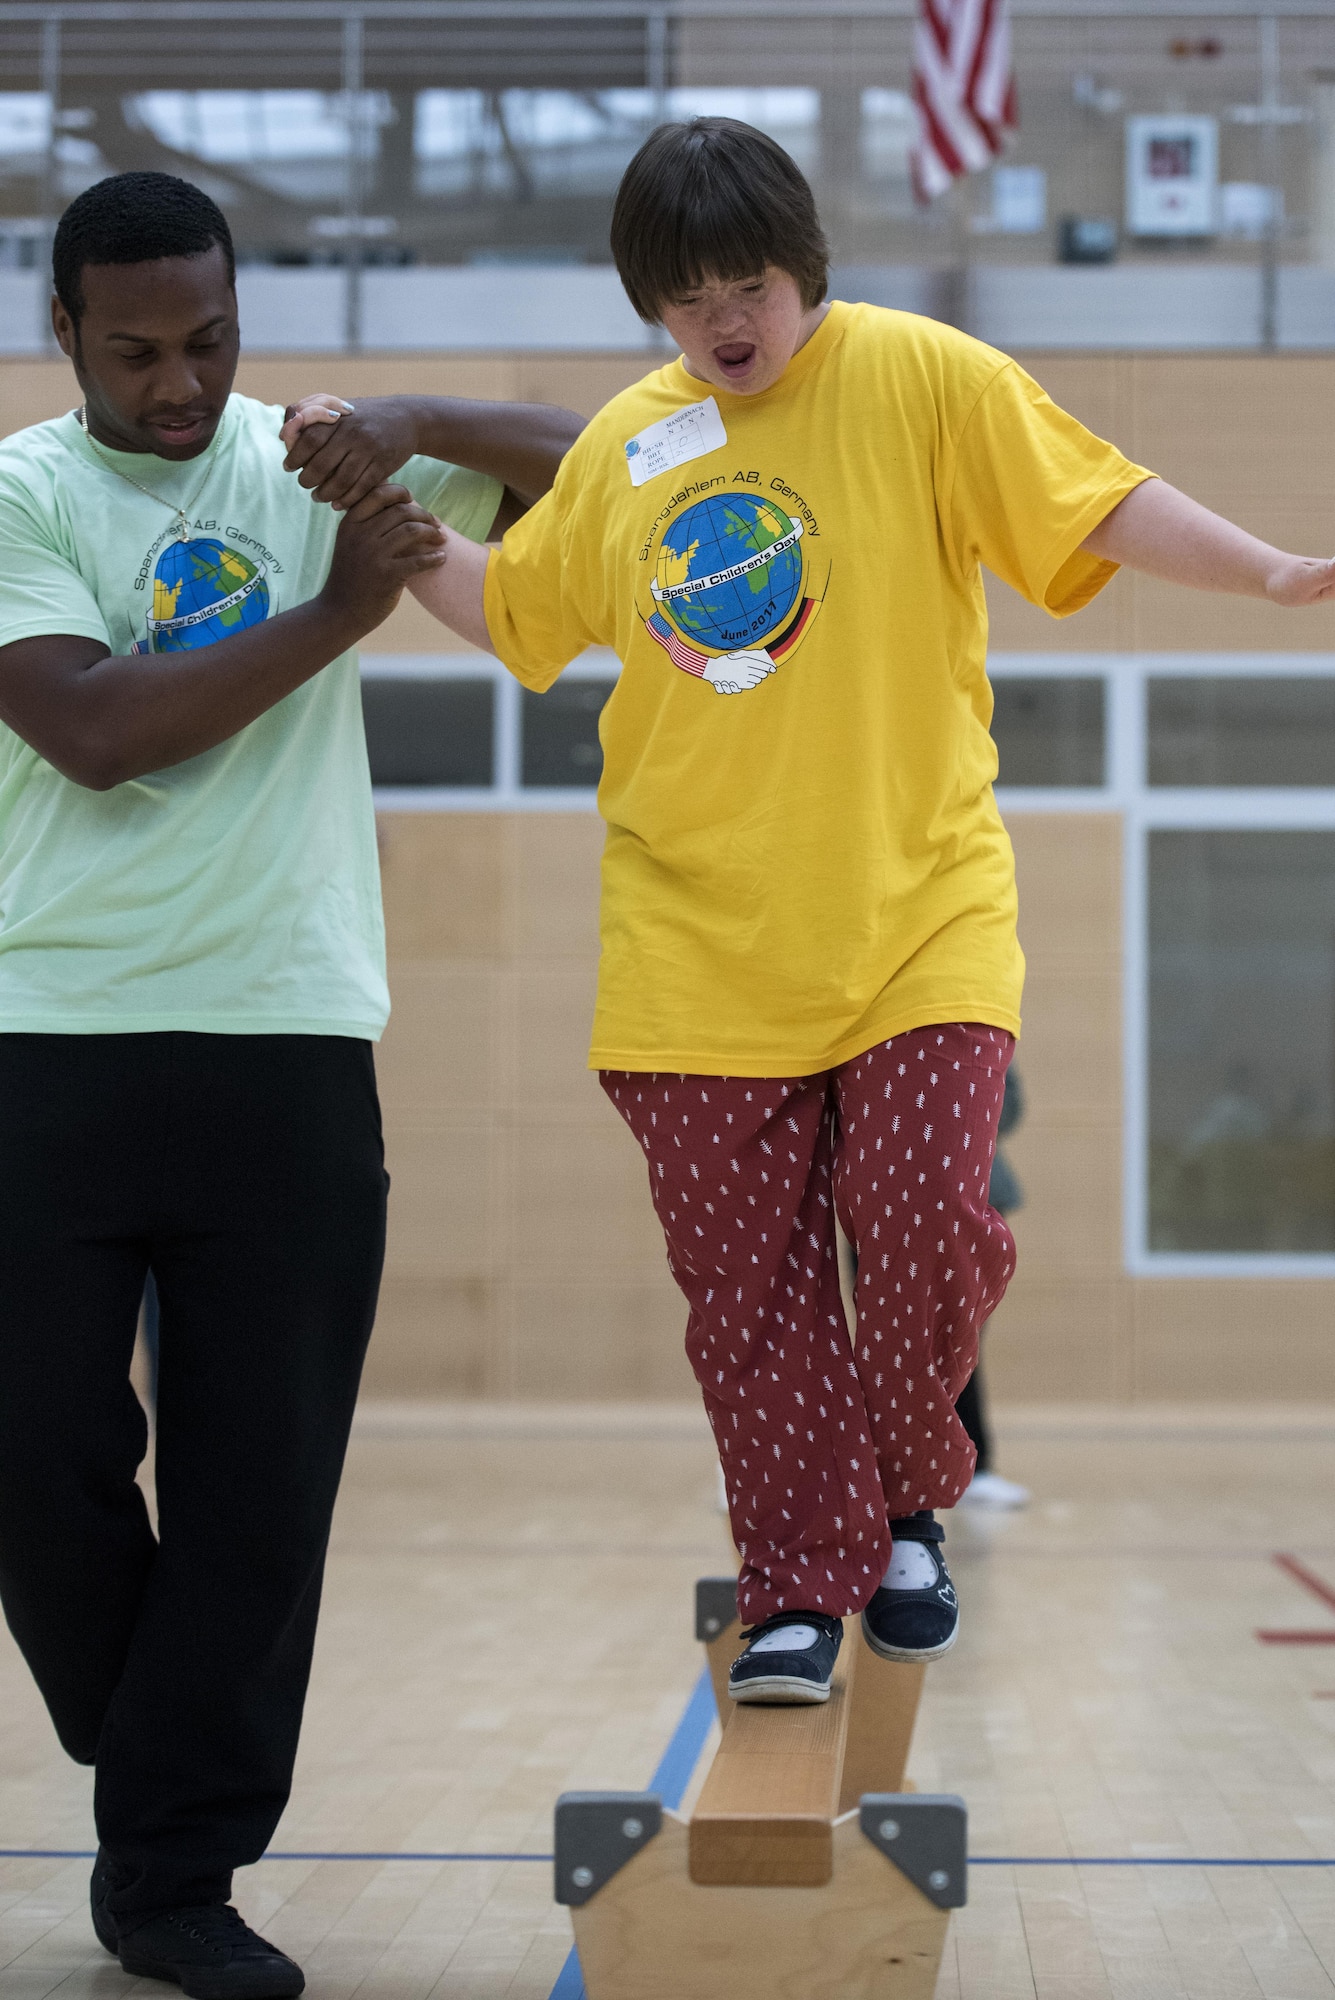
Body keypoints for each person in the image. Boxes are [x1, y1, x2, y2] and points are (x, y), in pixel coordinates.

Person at [299, 117, 1335, 1710]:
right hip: (689, 946)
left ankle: (908, 1496)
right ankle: (797, 1587)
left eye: (752, 286)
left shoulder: (922, 377)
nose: (727, 323)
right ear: (647, 302)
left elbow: (1094, 499)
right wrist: (391, 523)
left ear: (805, 270)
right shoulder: (634, 447)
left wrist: (1262, 574)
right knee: (750, 1302)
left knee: (924, 1227)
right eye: (688, 297)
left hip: (917, 917)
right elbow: (513, 606)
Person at [0, 170, 580, 1997]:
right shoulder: (19, 495)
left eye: (213, 344)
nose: (183, 387)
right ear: (68, 337)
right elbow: (92, 733)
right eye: (141, 352)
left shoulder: (317, 456)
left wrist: (412, 423)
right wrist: (344, 613)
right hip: (51, 1045)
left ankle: (172, 1878)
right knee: (36, 1457)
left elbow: (602, 467)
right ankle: (156, 1734)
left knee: (261, 1496)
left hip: (292, 1045)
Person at [956, 1066, 1031, 1510]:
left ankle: (975, 1467)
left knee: (963, 1337)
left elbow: (1013, 1103)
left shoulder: (981, 1024)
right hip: (883, 1189)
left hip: (972, 1191)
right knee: (886, 1337)